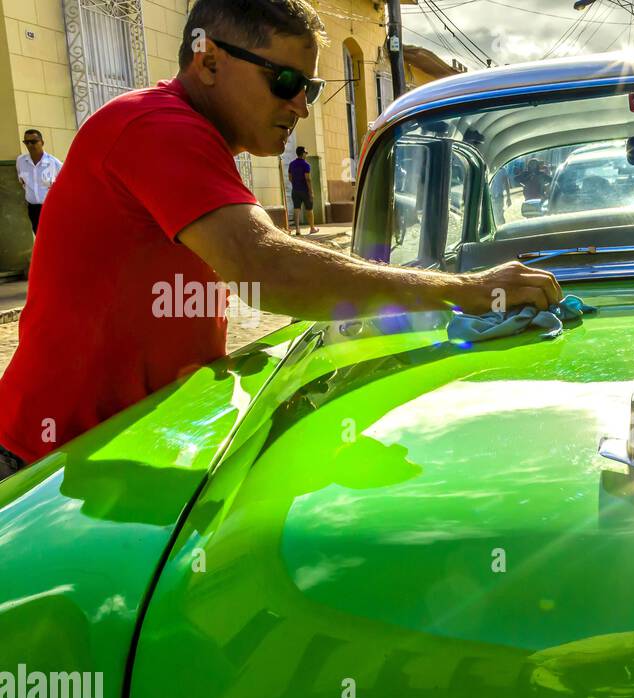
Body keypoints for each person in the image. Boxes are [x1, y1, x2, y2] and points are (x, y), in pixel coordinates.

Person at [0, 0, 560, 481]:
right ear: (210, 59)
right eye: (286, 82)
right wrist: (465, 290)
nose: (301, 105)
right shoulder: (156, 125)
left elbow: (266, 260)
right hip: (54, 466)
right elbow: (262, 268)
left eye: (311, 86)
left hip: (131, 444)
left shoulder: (196, 140)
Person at [15, 129, 62, 235]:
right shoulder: (21, 161)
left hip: (51, 208)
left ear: (42, 142)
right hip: (33, 209)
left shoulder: (55, 164)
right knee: (39, 237)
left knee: (54, 236)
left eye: (34, 141)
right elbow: (22, 182)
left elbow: (65, 188)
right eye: (27, 142)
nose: (30, 145)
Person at [287, 145, 317, 235]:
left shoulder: (291, 164)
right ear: (303, 153)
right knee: (309, 209)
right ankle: (312, 228)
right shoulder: (306, 165)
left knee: (296, 209)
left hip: (295, 190)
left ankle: (297, 230)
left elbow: (290, 177)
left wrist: (295, 184)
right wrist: (311, 191)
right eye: (306, 152)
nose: (306, 154)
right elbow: (307, 179)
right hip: (305, 190)